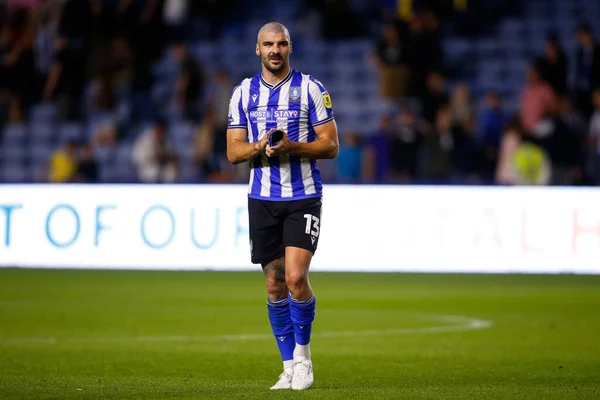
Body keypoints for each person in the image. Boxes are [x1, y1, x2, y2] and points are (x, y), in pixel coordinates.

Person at [226, 22, 339, 391]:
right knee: (274, 286)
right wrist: (260, 146)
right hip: (262, 199)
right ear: (257, 49)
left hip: (303, 196)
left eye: (282, 43)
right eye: (268, 44)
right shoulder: (243, 93)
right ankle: (288, 364)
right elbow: (232, 151)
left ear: (291, 48)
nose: (275, 50)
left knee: (295, 278)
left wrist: (292, 146)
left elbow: (330, 145)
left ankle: (304, 358)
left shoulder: (311, 89)